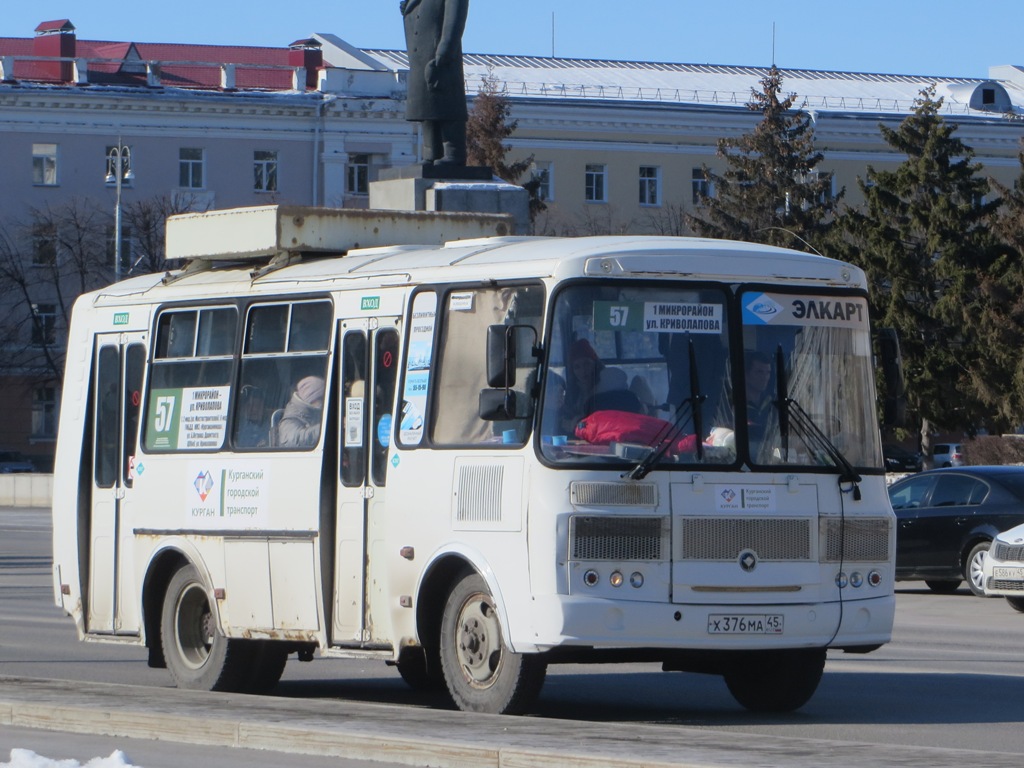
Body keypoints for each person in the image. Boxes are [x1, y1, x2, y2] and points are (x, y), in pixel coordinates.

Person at [400, 0, 470, 166]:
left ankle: (454, 152)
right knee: (426, 105)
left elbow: (455, 18)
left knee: (446, 101)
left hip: (440, 54)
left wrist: (445, 50)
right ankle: (431, 152)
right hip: (420, 56)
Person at [560, 339, 602, 434]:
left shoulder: (604, 387)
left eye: (586, 364)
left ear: (595, 364)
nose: (583, 371)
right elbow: (565, 416)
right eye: (577, 367)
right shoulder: (571, 392)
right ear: (572, 371)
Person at [277, 375, 325, 448]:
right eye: (321, 399)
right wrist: (326, 428)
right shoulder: (290, 419)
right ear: (311, 399)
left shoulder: (313, 414)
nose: (323, 404)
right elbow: (291, 441)